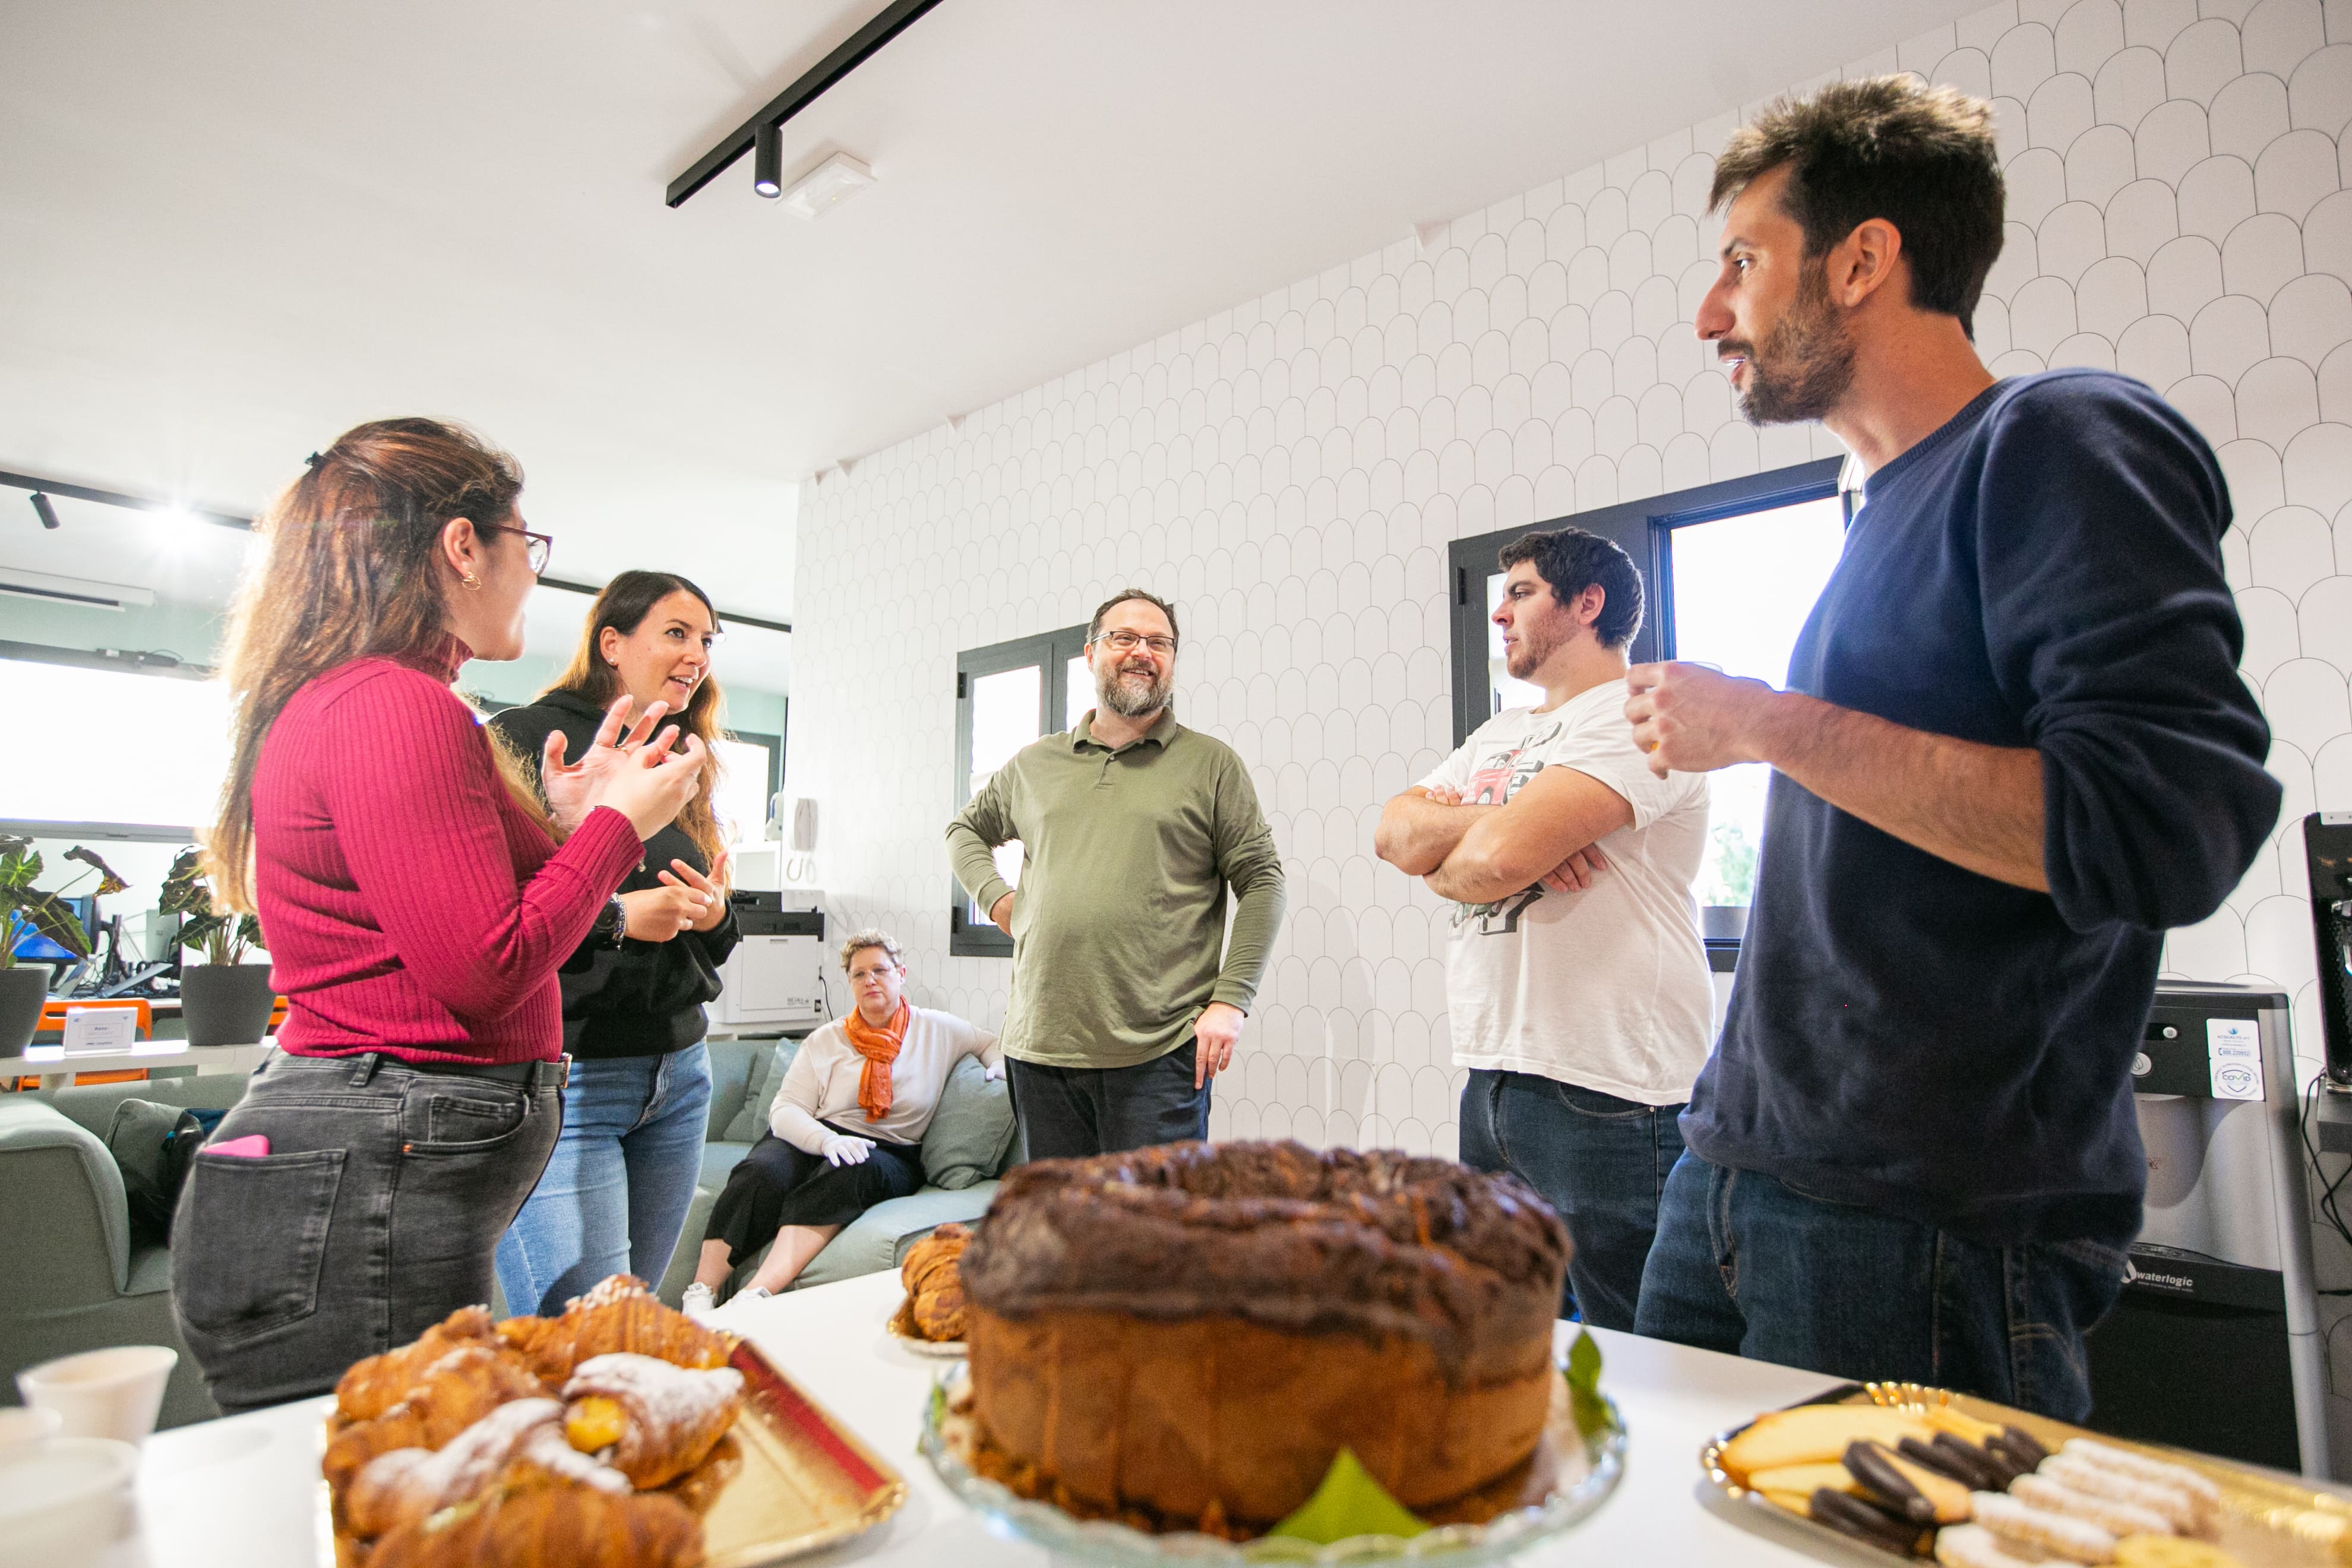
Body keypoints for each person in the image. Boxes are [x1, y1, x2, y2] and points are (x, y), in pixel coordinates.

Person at [1621, 78, 2280, 1417]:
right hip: (1737, 1173)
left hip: (1926, 1223)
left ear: (1863, 258)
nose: (1711, 313)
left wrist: (1760, 723)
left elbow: (2162, 826)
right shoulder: (1873, 519)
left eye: (1744, 261)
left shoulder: (2057, 438)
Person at [171, 418, 706, 1412]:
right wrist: (621, 824)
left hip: (367, 1166)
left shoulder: (370, 700)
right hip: (365, 1180)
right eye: (526, 548)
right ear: (463, 546)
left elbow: (444, 917)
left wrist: (565, 823)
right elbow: (490, 962)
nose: (532, 578)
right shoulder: (395, 705)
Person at [1374, 526, 1710, 1331]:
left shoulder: (1638, 718)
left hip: (1612, 1089)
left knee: (1636, 1351)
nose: (1499, 613)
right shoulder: (1498, 736)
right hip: (1492, 1076)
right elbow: (1392, 835)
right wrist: (1506, 831)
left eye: (1522, 592)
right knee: (1508, 1334)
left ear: (1587, 604)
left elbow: (1493, 863)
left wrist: (1479, 846)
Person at [944, 590, 1286, 1159]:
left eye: (1159, 642)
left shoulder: (1211, 764)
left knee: (1152, 1241)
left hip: (1161, 1054)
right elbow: (965, 831)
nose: (1142, 652)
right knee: (1061, 1238)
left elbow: (1263, 879)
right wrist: (999, 900)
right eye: (1124, 638)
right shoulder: (1035, 764)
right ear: (1091, 653)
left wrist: (1232, 1000)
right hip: (1040, 1050)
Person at [486, 572, 741, 1316]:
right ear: (612, 644)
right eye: (677, 632)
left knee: (635, 1326)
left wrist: (712, 913)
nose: (697, 654)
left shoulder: (681, 757)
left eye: (707, 640)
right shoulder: (526, 739)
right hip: (571, 1078)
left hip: (681, 1074)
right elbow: (495, 921)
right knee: (585, 1333)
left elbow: (713, 939)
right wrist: (622, 913)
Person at [683, 930, 999, 1309]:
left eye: (879, 971)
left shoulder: (937, 1029)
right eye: (858, 974)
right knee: (760, 1172)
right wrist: (826, 1141)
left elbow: (987, 1041)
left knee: (846, 1173)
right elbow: (785, 1110)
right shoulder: (826, 1039)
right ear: (849, 982)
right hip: (815, 1133)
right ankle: (701, 1292)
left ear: (901, 973)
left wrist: (996, 1065)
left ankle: (754, 1296)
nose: (870, 981)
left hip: (891, 1150)